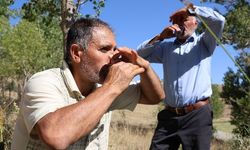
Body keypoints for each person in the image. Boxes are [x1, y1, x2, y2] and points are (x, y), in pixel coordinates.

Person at [11, 18, 165, 150]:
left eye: (114, 49)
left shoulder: (103, 88)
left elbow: (155, 96)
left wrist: (144, 67)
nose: (113, 56)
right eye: (104, 49)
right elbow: (56, 137)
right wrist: (111, 87)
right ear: (77, 53)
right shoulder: (45, 81)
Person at [137, 3, 225, 150]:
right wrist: (160, 37)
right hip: (169, 116)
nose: (179, 23)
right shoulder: (166, 48)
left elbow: (219, 21)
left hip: (197, 116)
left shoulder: (204, 43)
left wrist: (191, 9)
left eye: (184, 19)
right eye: (177, 20)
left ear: (195, 23)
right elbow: (140, 54)